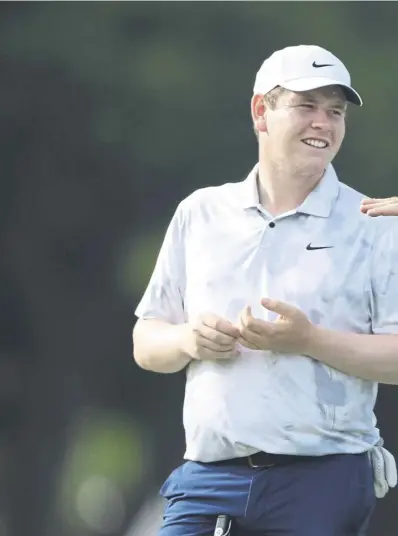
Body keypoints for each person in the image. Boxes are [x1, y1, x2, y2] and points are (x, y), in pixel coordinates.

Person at [133, 44, 398, 536]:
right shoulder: (201, 212)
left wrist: (309, 340)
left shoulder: (376, 223)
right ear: (262, 112)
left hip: (323, 478)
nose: (324, 122)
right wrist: (187, 340)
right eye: (306, 106)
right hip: (208, 476)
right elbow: (147, 341)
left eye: (335, 112)